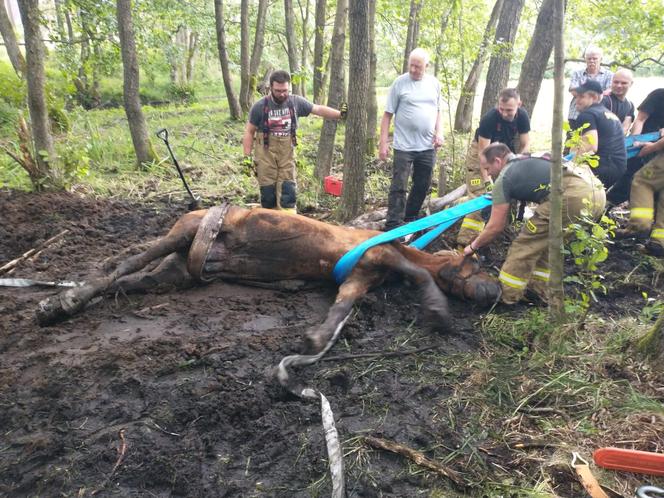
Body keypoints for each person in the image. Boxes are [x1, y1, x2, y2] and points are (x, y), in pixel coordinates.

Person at [462, 143, 606, 304]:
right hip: (596, 193)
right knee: (548, 244)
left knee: (525, 245)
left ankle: (506, 295)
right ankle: (538, 290)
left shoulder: (505, 177)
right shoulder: (530, 158)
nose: (487, 174)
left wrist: (473, 246)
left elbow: (496, 226)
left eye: (487, 168)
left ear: (497, 161)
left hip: (572, 197)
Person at [242, 70, 346, 211]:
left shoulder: (296, 102)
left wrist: (340, 114)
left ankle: (288, 223)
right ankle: (268, 225)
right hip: (265, 155)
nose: (282, 94)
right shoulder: (260, 106)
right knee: (268, 194)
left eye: (285, 90)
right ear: (270, 88)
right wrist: (247, 158)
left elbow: (319, 109)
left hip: (287, 154)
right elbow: (249, 131)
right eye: (278, 91)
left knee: (287, 192)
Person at [379, 47, 444, 231]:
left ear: (427, 66)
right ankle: (393, 224)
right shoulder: (399, 83)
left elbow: (439, 111)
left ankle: (409, 217)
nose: (414, 70)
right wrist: (383, 143)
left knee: (422, 184)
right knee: (399, 185)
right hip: (404, 146)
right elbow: (386, 116)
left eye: (418, 67)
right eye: (411, 66)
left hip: (427, 146)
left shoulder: (434, 84)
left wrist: (440, 133)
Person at [456, 88, 531, 246]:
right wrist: (487, 181)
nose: (504, 114)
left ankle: (492, 237)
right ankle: (464, 244)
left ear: (519, 104)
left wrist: (517, 160)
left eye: (509, 110)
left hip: (503, 156)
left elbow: (525, 144)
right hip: (481, 156)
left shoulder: (522, 116)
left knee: (503, 196)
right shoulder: (490, 118)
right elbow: (483, 154)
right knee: (481, 198)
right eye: (501, 109)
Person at [608, 88, 664, 205]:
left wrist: (652, 147)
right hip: (642, 144)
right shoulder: (658, 95)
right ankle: (606, 207)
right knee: (627, 181)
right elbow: (640, 120)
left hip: (658, 149)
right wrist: (635, 141)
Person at [572, 79, 626, 189]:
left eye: (581, 97)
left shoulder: (588, 114)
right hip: (619, 167)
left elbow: (589, 146)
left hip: (601, 166)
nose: (576, 100)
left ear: (595, 97)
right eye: (576, 96)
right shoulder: (610, 114)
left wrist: (571, 166)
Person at [568, 46, 613, 130]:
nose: (592, 61)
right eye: (589, 59)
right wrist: (596, 94)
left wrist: (583, 92)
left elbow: (609, 91)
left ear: (601, 59)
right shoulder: (577, 74)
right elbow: (573, 90)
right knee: (573, 140)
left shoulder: (609, 75)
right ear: (585, 60)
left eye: (595, 58)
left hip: (599, 115)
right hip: (576, 114)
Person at [600, 68, 635, 134]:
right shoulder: (603, 100)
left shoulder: (630, 105)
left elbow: (625, 128)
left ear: (631, 84)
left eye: (624, 83)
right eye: (616, 82)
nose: (619, 85)